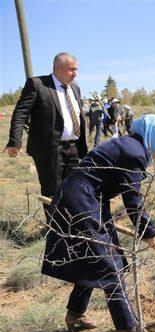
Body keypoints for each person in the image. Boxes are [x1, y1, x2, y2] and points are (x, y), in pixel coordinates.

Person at [42, 114, 155, 332]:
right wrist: (150, 232)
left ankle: (75, 313)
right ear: (152, 136)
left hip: (86, 200)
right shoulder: (134, 152)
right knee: (109, 266)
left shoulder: (131, 145)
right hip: (79, 203)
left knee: (102, 260)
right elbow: (132, 200)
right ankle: (131, 330)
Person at [4, 52, 88, 222]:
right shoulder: (38, 84)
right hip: (49, 148)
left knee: (74, 188)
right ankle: (55, 231)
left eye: (76, 70)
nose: (75, 73)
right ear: (58, 68)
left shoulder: (75, 88)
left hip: (74, 147)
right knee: (52, 190)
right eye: (71, 69)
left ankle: (71, 226)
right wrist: (15, 140)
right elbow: (21, 113)